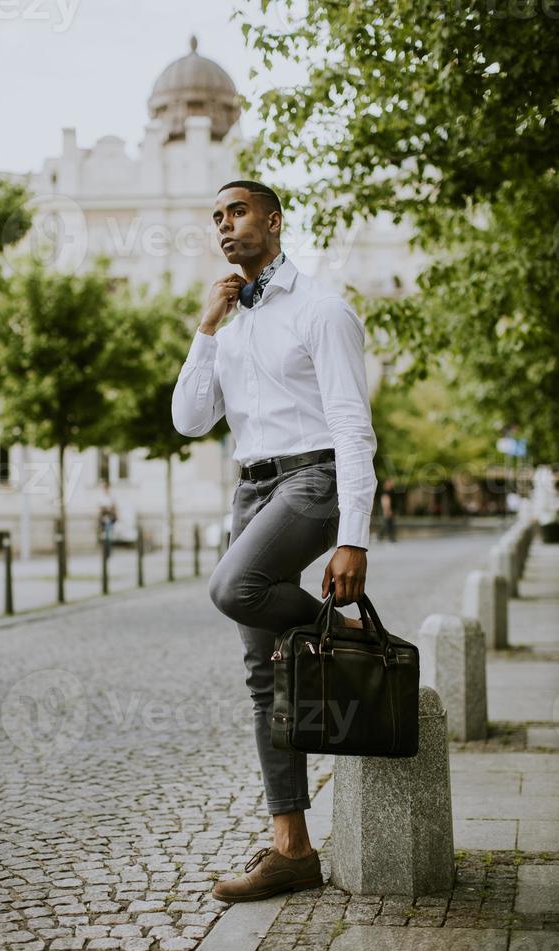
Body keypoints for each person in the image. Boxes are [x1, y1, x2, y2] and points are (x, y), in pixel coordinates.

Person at [171, 180, 378, 903]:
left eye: (237, 212)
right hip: (251, 488)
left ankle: (343, 633)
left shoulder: (322, 309)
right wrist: (205, 328)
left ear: (274, 220)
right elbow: (191, 422)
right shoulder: (230, 327)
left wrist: (353, 537)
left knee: (234, 588)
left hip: (312, 481)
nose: (225, 225)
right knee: (266, 676)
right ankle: (292, 850)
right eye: (217, 218)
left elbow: (353, 427)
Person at [96, 479, 118, 558]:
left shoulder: (112, 496)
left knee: (109, 535)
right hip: (103, 518)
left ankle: (108, 552)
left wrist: (111, 511)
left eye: (106, 487)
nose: (105, 488)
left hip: (110, 517)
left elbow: (115, 507)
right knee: (104, 536)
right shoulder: (101, 496)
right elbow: (99, 508)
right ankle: (105, 552)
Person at [377, 477, 397, 542]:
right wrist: (387, 510)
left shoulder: (390, 491)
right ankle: (384, 536)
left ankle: (383, 536)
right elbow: (385, 501)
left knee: (389, 524)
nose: (393, 484)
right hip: (388, 510)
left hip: (390, 510)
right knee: (387, 524)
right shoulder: (386, 492)